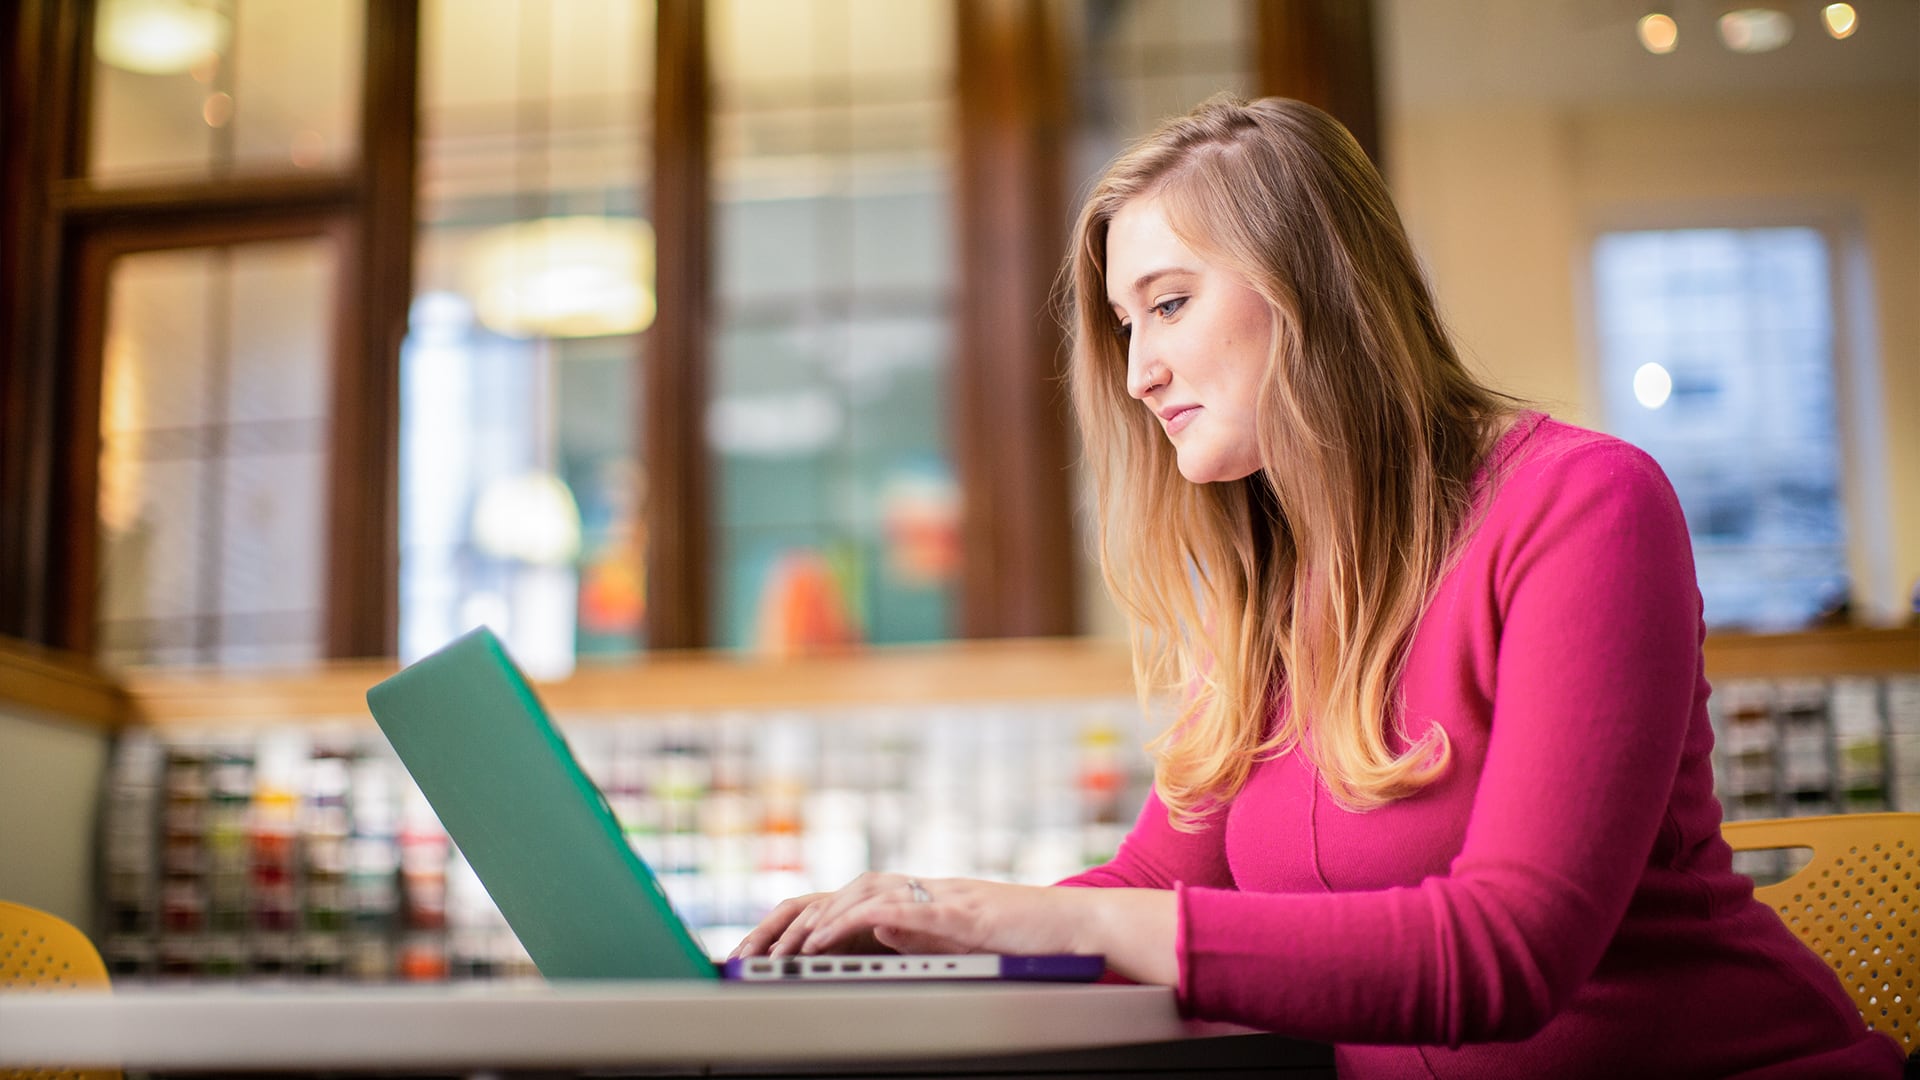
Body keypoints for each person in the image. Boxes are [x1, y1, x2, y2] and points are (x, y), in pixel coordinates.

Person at [730, 96, 1903, 1077]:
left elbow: (1509, 951)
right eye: (1126, 324)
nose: (1139, 373)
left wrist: (1053, 919)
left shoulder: (1585, 505)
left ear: (1316, 286)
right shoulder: (1271, 590)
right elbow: (1151, 881)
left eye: (1171, 304)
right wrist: (915, 930)